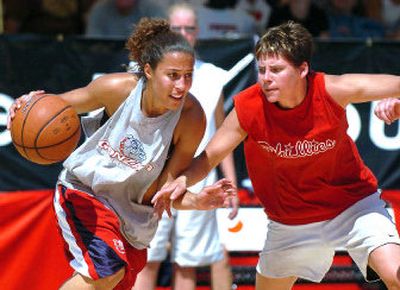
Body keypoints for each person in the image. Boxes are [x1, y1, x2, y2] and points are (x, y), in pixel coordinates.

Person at [152, 21, 400, 290]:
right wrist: (182, 180)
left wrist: (396, 102)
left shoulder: (333, 89)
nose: (266, 78)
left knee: (395, 273)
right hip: (291, 220)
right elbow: (208, 157)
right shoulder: (249, 106)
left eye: (277, 70)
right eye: (261, 70)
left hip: (353, 206)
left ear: (303, 69)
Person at [7, 17, 234, 290]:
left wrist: (197, 201)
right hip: (86, 193)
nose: (182, 85)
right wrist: (25, 104)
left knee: (111, 282)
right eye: (173, 75)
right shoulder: (117, 89)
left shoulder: (191, 118)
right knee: (107, 272)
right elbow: (54, 106)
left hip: (133, 220)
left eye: (188, 76)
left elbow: (163, 194)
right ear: (148, 71)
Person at [134, 3, 238, 290]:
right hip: (154, 178)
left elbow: (222, 134)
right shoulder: (148, 74)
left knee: (188, 264)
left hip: (199, 178)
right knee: (146, 259)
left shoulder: (214, 75)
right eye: (176, 28)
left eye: (188, 28)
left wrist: (229, 182)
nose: (183, 33)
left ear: (197, 32)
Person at [85, 0, 166, 38]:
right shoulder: (99, 9)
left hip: (144, 64)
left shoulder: (154, 8)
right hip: (107, 65)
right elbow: (93, 45)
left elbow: (162, 44)